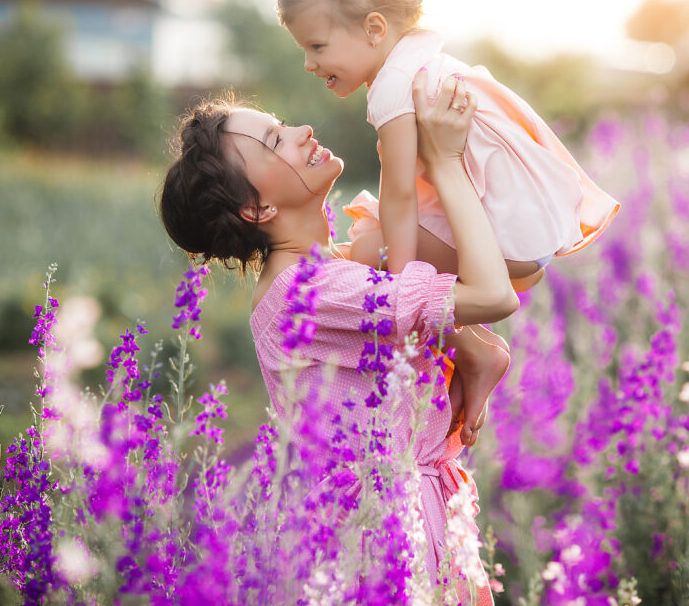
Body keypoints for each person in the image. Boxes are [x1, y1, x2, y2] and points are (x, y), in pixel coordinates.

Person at [159, 73, 511, 603]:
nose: (301, 130)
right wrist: (447, 162)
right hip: (386, 545)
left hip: (398, 524)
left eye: (279, 125)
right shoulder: (315, 291)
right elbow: (494, 294)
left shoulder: (330, 272)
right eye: (277, 141)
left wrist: (474, 347)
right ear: (257, 211)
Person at [278, 0, 621, 446]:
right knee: (372, 245)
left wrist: (399, 289)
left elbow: (397, 194)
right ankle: (475, 348)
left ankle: (477, 350)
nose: (309, 64)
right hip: (518, 237)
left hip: (503, 247)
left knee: (370, 251)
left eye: (318, 46)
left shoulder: (393, 85)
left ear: (375, 29)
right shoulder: (423, 57)